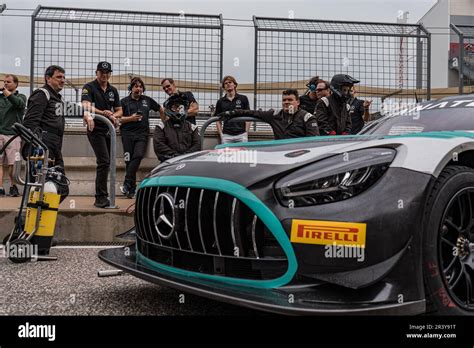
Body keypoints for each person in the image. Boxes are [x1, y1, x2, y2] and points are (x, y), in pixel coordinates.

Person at [82, 61, 123, 208]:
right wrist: (103, 113)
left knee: (108, 162)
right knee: (104, 161)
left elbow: (119, 110)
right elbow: (86, 105)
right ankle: (100, 198)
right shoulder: (89, 87)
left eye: (107, 72)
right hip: (95, 129)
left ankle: (103, 196)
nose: (105, 75)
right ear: (96, 72)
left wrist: (113, 115)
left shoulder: (113, 90)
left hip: (108, 130)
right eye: (102, 72)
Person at [219, 89, 319, 140]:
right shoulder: (275, 115)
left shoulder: (308, 118)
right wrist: (232, 113)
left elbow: (313, 143)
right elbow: (252, 112)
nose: (287, 102)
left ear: (298, 102)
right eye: (284, 100)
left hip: (300, 157)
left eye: (290, 100)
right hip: (280, 155)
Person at [119, 77, 160, 198]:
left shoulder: (147, 100)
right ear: (131, 88)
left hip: (142, 135)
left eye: (141, 86)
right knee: (128, 160)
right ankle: (131, 190)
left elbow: (160, 109)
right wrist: (131, 118)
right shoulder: (123, 102)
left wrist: (165, 122)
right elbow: (118, 119)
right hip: (127, 135)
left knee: (138, 156)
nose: (139, 88)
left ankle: (127, 183)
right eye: (136, 86)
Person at [23, 65, 67, 169]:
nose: (63, 80)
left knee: (58, 180)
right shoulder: (41, 94)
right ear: (48, 78)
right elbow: (30, 122)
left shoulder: (57, 98)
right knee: (41, 181)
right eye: (59, 77)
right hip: (43, 144)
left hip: (55, 144)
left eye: (64, 77)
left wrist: (87, 114)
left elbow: (72, 109)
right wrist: (37, 145)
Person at [153, 93, 201, 162]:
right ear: (169, 108)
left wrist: (184, 157)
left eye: (180, 107)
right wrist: (175, 156)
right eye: (175, 107)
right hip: (168, 163)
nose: (178, 109)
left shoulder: (192, 127)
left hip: (188, 163)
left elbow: (197, 145)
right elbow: (159, 146)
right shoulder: (161, 127)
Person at [0, 74, 26, 196]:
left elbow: (18, 104)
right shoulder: (0, 98)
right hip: (0, 134)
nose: (5, 83)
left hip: (13, 135)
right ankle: (0, 188)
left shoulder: (21, 97)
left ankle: (13, 186)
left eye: (8, 82)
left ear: (16, 84)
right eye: (4, 82)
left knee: (12, 163)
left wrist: (3, 90)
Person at [215, 76, 250, 144]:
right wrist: (221, 135)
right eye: (226, 83)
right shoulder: (220, 101)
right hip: (226, 135)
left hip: (241, 134)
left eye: (230, 82)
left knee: (242, 154)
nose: (228, 84)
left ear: (235, 85)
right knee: (227, 155)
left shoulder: (243, 98)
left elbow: (248, 117)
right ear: (224, 87)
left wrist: (246, 133)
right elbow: (217, 120)